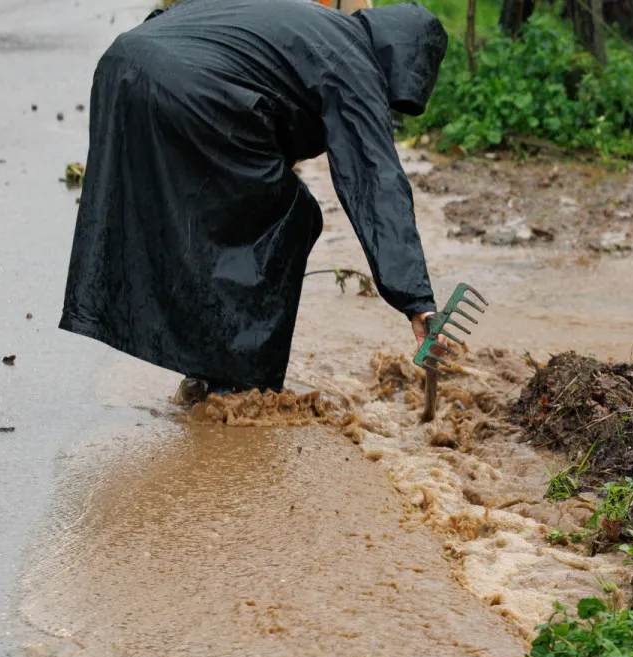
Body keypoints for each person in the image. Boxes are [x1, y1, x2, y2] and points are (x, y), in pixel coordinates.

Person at [60, 0, 450, 403]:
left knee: (213, 217)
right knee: (291, 218)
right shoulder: (354, 59)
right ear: (400, 61)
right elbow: (376, 181)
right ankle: (238, 380)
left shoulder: (313, 25)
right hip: (190, 87)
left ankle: (205, 367)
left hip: (126, 65)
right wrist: (415, 299)